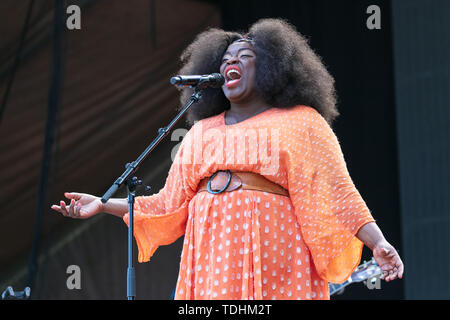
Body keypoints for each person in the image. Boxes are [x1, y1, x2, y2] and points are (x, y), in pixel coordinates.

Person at [51, 18, 403, 300]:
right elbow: (165, 207)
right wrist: (102, 204)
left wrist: (378, 242)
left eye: (243, 56)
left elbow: (338, 192)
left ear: (271, 68)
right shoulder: (201, 131)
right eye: (225, 59)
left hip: (276, 252)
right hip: (210, 258)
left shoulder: (301, 121)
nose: (230, 62)